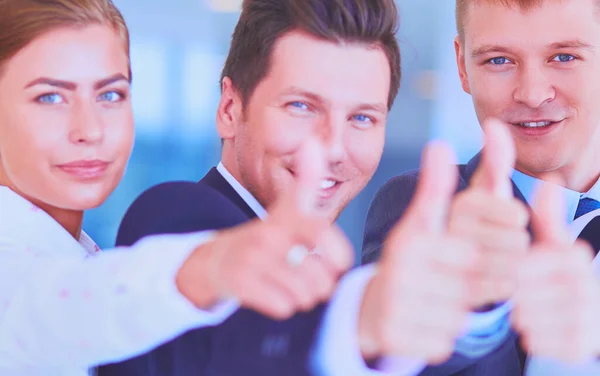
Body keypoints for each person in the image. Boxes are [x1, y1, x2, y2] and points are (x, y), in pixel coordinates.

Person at [97, 0, 515, 375]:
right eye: (301, 106)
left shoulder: (329, 272)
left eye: (362, 118)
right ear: (229, 108)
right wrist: (363, 322)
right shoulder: (175, 220)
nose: (332, 148)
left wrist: (473, 297)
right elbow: (247, 340)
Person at [0, 1, 353, 375]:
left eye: (110, 94)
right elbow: (56, 307)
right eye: (50, 97)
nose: (90, 129)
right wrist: (210, 267)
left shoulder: (71, 252)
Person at [362, 0, 600, 374]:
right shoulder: (426, 211)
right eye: (499, 61)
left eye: (564, 57)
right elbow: (391, 351)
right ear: (462, 65)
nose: (533, 95)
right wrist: (470, 306)